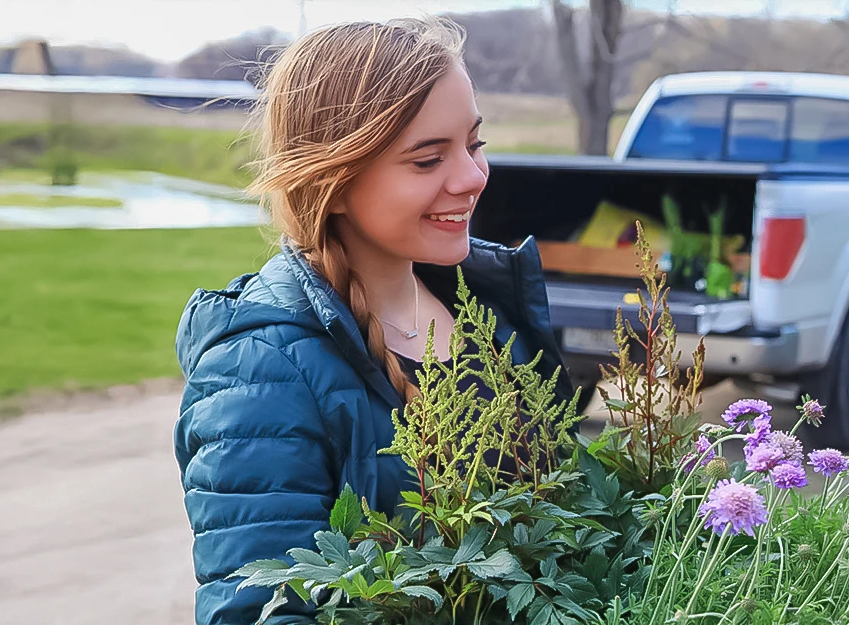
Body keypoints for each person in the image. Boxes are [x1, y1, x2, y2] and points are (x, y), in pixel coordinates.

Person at [172, 17, 573, 625]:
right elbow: (260, 611)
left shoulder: (490, 315)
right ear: (333, 179)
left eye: (474, 144)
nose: (471, 177)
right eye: (427, 159)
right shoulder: (256, 373)